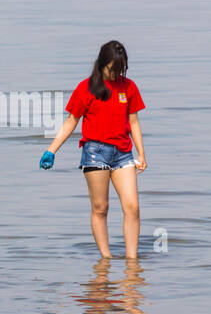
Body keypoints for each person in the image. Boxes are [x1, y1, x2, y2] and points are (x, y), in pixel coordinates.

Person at [40, 40, 147, 259]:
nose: (117, 74)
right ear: (101, 64)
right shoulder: (85, 88)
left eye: (121, 69)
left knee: (133, 207)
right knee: (101, 207)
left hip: (123, 153)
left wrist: (141, 153)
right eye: (112, 69)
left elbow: (134, 122)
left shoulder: (129, 87)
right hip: (95, 152)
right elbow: (71, 121)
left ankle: (132, 261)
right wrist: (51, 150)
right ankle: (105, 259)